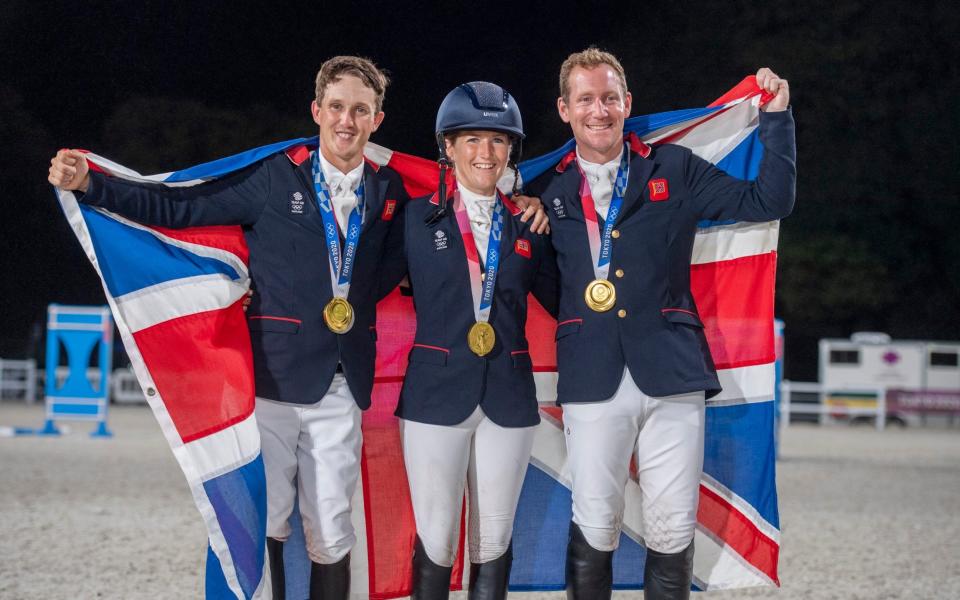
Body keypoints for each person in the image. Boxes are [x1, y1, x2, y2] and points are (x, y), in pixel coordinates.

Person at [48, 55, 409, 600]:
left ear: (377, 120)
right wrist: (92, 185)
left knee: (333, 531)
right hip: (270, 384)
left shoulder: (391, 193)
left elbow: (411, 257)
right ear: (317, 110)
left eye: (361, 110)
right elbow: (179, 207)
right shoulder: (273, 177)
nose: (346, 121)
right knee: (267, 523)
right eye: (336, 107)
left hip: (341, 384)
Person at [522, 48, 796, 599]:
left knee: (672, 526)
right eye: (585, 99)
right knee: (596, 522)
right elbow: (548, 287)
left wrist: (776, 117)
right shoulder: (544, 194)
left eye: (608, 98)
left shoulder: (674, 169)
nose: (598, 111)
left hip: (672, 372)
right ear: (563, 109)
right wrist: (523, 226)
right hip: (591, 374)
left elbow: (771, 198)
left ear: (627, 103)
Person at [388, 82, 557, 600]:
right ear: (449, 147)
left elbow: (567, 300)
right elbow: (359, 286)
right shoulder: (415, 219)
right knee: (437, 539)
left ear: (511, 150)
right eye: (472, 140)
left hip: (508, 396)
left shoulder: (529, 223)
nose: (486, 153)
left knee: (494, 539)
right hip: (435, 397)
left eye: (499, 141)